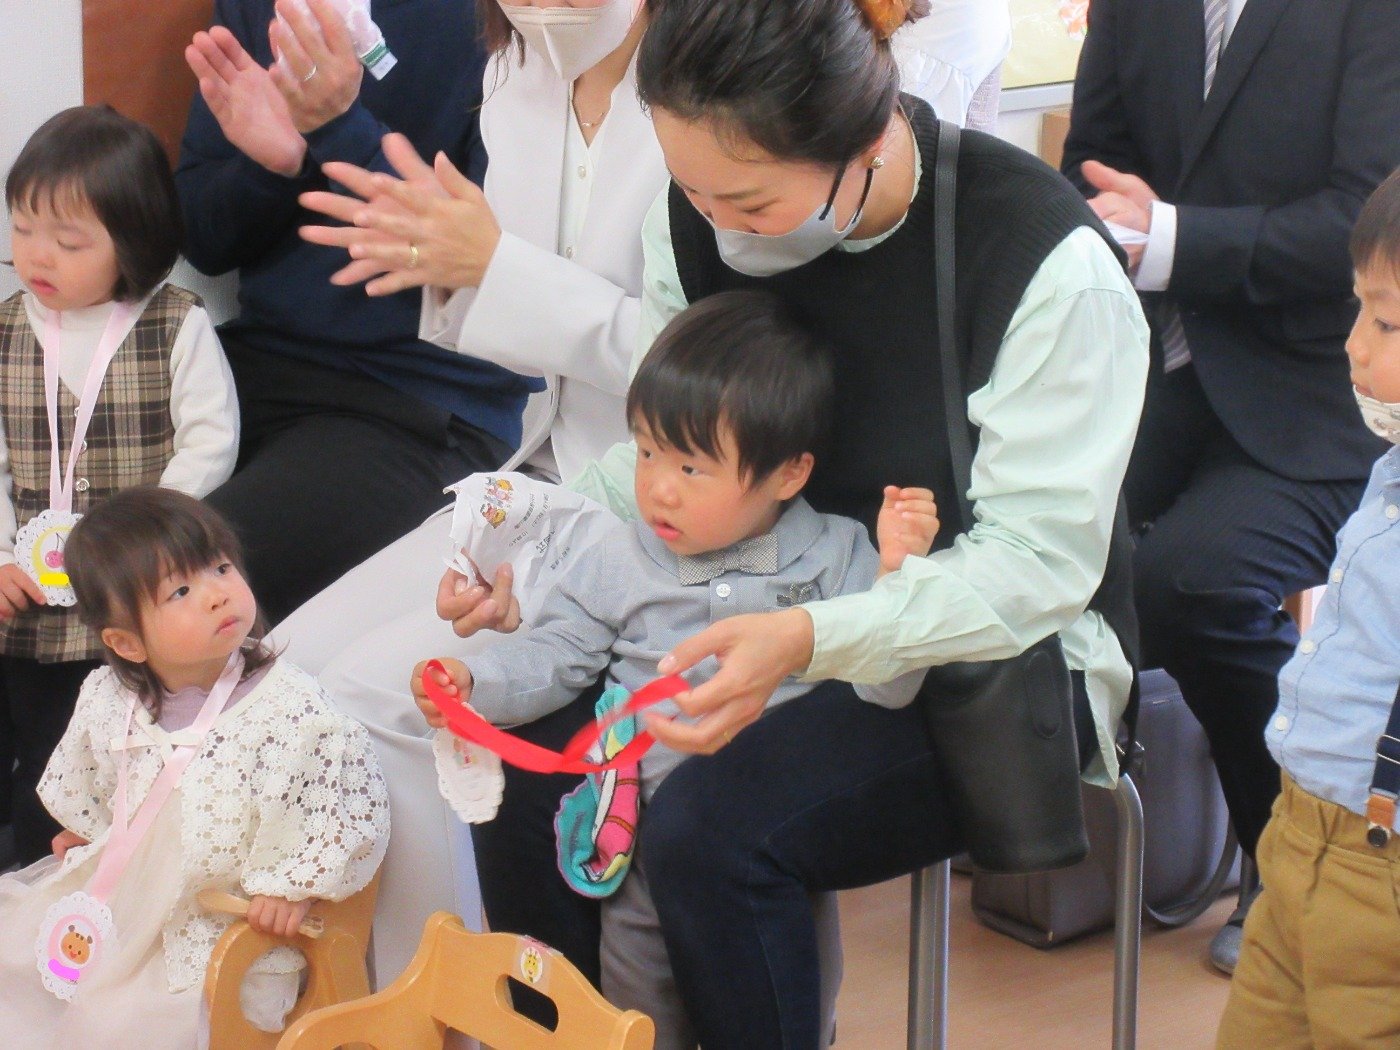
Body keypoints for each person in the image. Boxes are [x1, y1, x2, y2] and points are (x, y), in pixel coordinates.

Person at [434, 0, 1150, 1043]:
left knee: (709, 829)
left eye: (748, 201)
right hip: (746, 594)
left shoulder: (1038, 260)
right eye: (690, 189)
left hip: (978, 655)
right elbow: (674, 446)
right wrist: (531, 552)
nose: (715, 225)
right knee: (522, 762)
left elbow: (1032, 568)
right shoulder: (695, 217)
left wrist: (807, 638)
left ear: (867, 144)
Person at [413, 289, 938, 1047]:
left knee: (779, 1016)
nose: (658, 486)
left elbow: (886, 686)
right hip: (636, 862)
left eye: (691, 466)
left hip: (760, 859)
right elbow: (559, 653)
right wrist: (479, 685)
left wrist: (896, 578)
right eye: (648, 452)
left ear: (788, 474)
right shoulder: (620, 556)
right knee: (637, 1026)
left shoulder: (834, 558)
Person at [271, 0, 667, 983]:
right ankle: (371, 1003)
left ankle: (448, 1012)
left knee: (381, 698)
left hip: (658, 498)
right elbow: (521, 338)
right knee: (287, 672)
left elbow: (706, 368)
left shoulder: (712, 89)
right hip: (537, 478)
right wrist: (446, 271)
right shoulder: (516, 71)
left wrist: (496, 269)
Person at [1060, 0, 1400, 971]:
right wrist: (1112, 227)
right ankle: (1053, 817)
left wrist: (1171, 235)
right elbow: (1087, 169)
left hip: (1324, 386)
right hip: (1154, 366)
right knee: (1049, 531)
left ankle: (1282, 861)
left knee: (1192, 581)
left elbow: (1363, 222)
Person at [177, 0, 535, 625]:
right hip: (257, 364)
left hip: (417, 401)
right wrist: (274, 167)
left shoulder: (503, 19)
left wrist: (338, 126)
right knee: (81, 547)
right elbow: (205, 242)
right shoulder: (259, 11)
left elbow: (495, 273)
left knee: (174, 581)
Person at [0, 487, 388, 1046]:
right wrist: (91, 832)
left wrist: (293, 888)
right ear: (127, 643)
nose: (216, 595)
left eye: (221, 568)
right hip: (122, 902)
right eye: (180, 591)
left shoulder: (292, 712)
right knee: (18, 964)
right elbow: (99, 784)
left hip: (213, 923)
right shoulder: (111, 697)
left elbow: (337, 810)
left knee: (116, 1024)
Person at [1, 106, 238, 866]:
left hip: (129, 599)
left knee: (116, 752)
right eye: (22, 229)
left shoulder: (174, 324)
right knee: (34, 758)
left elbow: (210, 440)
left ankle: (111, 877)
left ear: (130, 243)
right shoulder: (6, 330)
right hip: (28, 607)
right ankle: (31, 886)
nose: (37, 255)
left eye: (68, 242)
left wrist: (145, 540)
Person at [1215, 169, 1400, 1047]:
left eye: (1386, 323)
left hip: (1381, 867)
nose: (1353, 345)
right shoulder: (1389, 466)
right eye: (1360, 310)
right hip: (1298, 831)